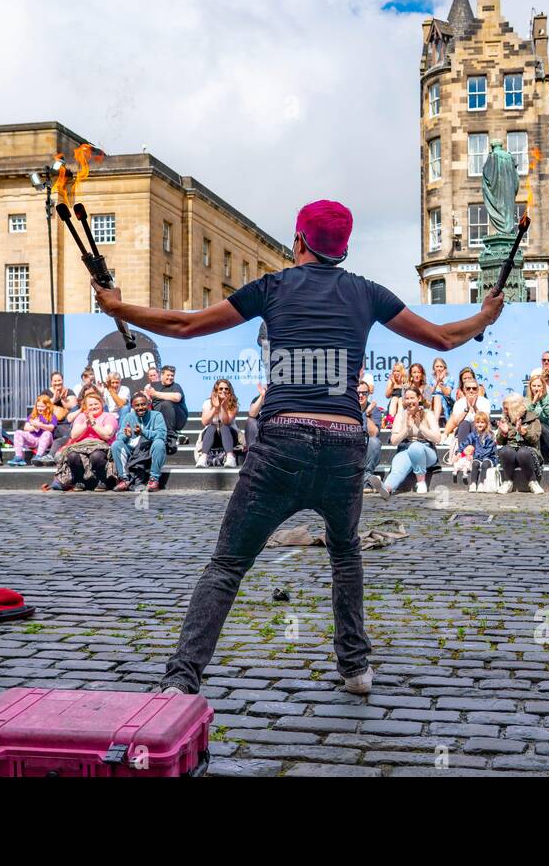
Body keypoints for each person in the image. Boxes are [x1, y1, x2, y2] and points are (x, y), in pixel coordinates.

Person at [94, 198, 504, 696]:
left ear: (299, 243)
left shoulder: (274, 286)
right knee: (345, 550)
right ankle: (355, 668)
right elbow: (442, 339)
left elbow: (184, 325)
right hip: (343, 445)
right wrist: (484, 316)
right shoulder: (366, 293)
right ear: (343, 249)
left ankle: (182, 679)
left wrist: (118, 307)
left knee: (227, 565)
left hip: (282, 444)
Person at [49, 390, 118, 492]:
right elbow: (73, 435)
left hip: (101, 446)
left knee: (96, 455)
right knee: (72, 455)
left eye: (96, 404)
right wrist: (86, 424)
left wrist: (93, 424)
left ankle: (103, 480)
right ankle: (80, 480)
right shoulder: (81, 417)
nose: (93, 407)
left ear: (102, 404)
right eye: (90, 405)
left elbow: (107, 435)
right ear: (86, 407)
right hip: (81, 446)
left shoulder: (109, 416)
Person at [379, 387, 442, 496]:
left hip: (427, 451)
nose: (409, 401)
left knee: (415, 447)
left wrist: (419, 426)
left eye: (412, 398)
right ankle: (386, 488)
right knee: (397, 466)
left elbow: (437, 438)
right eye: (407, 398)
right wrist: (406, 429)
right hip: (406, 449)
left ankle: (421, 482)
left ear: (419, 398)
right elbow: (394, 441)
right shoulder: (400, 415)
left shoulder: (428, 414)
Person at [112, 392, 167, 492]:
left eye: (143, 404)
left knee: (159, 443)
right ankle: (124, 479)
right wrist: (126, 435)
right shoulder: (129, 417)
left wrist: (143, 432)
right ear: (132, 406)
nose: (140, 407)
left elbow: (162, 434)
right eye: (137, 405)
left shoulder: (156, 416)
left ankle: (154, 479)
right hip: (133, 451)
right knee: (116, 444)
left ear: (148, 404)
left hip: (149, 451)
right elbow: (120, 436)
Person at [496, 393, 544, 494]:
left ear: (515, 408)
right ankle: (508, 481)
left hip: (529, 451)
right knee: (505, 451)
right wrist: (503, 434)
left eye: (506, 408)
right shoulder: (506, 419)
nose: (504, 411)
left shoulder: (532, 419)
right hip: (512, 450)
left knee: (523, 452)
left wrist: (524, 432)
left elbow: (535, 439)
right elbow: (499, 442)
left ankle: (533, 482)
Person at [197, 379, 241, 467]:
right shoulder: (207, 403)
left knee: (223, 426)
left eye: (226, 389)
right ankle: (203, 458)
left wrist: (223, 407)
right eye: (220, 389)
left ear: (229, 391)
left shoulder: (234, 403)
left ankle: (230, 458)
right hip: (212, 436)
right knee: (212, 426)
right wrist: (215, 407)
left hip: (230, 436)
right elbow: (205, 422)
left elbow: (226, 421)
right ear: (216, 390)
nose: (223, 390)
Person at [441, 378, 491, 448]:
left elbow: (486, 420)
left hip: (480, 430)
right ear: (464, 390)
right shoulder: (459, 403)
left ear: (477, 390)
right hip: (463, 430)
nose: (471, 390)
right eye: (468, 388)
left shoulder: (484, 401)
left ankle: (477, 453)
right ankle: (463, 453)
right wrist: (466, 410)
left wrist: (475, 407)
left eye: (474, 388)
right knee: (464, 423)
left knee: (474, 423)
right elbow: (456, 422)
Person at [9, 394, 58, 465]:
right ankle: (18, 457)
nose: (39, 408)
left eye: (42, 406)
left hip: (45, 440)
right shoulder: (32, 415)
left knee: (47, 433)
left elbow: (51, 428)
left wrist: (40, 425)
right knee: (18, 432)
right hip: (33, 438)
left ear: (47, 406)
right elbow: (26, 428)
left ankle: (38, 456)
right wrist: (34, 426)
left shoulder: (52, 416)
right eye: (38, 406)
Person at [145, 365, 187, 440]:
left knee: (166, 404)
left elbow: (177, 398)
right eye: (168, 375)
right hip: (159, 417)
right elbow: (147, 398)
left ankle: (170, 435)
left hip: (178, 418)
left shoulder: (176, 386)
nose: (170, 377)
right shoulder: (153, 386)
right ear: (162, 375)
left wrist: (155, 394)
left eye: (172, 375)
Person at [525, 374, 549, 465]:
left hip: (548, 432)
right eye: (534, 386)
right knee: (536, 425)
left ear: (543, 387)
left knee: (541, 425)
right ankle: (537, 457)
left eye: (539, 386)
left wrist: (542, 401)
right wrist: (534, 402)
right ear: (530, 387)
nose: (536, 388)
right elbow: (527, 418)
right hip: (532, 432)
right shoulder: (527, 401)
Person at [465, 410, 499, 492]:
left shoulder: (490, 435)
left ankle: (482, 483)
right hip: (478, 457)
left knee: (485, 464)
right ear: (475, 424)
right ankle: (473, 483)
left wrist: (481, 456)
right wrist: (467, 453)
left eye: (482, 422)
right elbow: (467, 444)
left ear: (486, 424)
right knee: (475, 464)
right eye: (478, 422)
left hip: (489, 457)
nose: (480, 424)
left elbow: (490, 449)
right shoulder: (473, 435)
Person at [359, 380, 383, 487]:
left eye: (364, 393)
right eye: (357, 393)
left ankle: (367, 475)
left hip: (365, 445)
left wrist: (368, 414)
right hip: (349, 443)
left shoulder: (375, 410)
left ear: (368, 394)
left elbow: (374, 434)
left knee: (374, 442)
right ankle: (367, 479)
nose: (360, 395)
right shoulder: (347, 408)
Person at [429, 357, 454, 423]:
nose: (439, 369)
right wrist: (437, 381)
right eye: (437, 366)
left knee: (437, 397)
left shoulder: (450, 378)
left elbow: (447, 393)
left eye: (441, 366)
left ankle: (435, 422)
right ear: (433, 368)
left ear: (444, 368)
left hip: (445, 401)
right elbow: (427, 393)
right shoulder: (429, 378)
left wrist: (441, 383)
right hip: (430, 400)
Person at [244, 384, 265, 450]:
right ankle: (252, 452)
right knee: (250, 421)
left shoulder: (279, 397)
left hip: (275, 427)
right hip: (260, 429)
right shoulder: (257, 398)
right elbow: (252, 414)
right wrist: (262, 396)